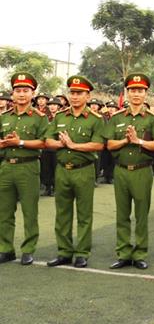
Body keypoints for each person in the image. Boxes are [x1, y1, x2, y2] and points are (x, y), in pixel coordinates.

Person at [104, 73, 154, 270]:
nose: (136, 94)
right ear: (127, 92)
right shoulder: (117, 117)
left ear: (146, 93)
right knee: (122, 215)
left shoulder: (152, 119)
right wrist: (125, 140)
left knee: (141, 215)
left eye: (140, 90)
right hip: (121, 171)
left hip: (142, 171)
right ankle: (123, 253)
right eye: (132, 90)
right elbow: (109, 144)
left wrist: (138, 141)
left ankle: (140, 253)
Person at [44, 76, 105, 269]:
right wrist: (60, 143)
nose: (75, 96)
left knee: (84, 214)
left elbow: (98, 144)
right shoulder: (60, 116)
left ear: (88, 95)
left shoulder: (96, 119)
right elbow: (48, 140)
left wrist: (73, 145)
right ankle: (64, 251)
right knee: (62, 213)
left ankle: (82, 253)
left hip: (83, 170)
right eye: (72, 93)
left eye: (79, 93)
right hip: (62, 170)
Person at [0, 73, 48, 266]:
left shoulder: (39, 118)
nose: (21, 94)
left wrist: (19, 142)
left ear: (32, 93)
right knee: (4, 211)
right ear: (12, 94)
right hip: (6, 167)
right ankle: (5, 249)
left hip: (28, 167)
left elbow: (44, 142)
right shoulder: (4, 117)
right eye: (18, 90)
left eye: (25, 90)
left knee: (29, 211)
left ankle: (28, 249)